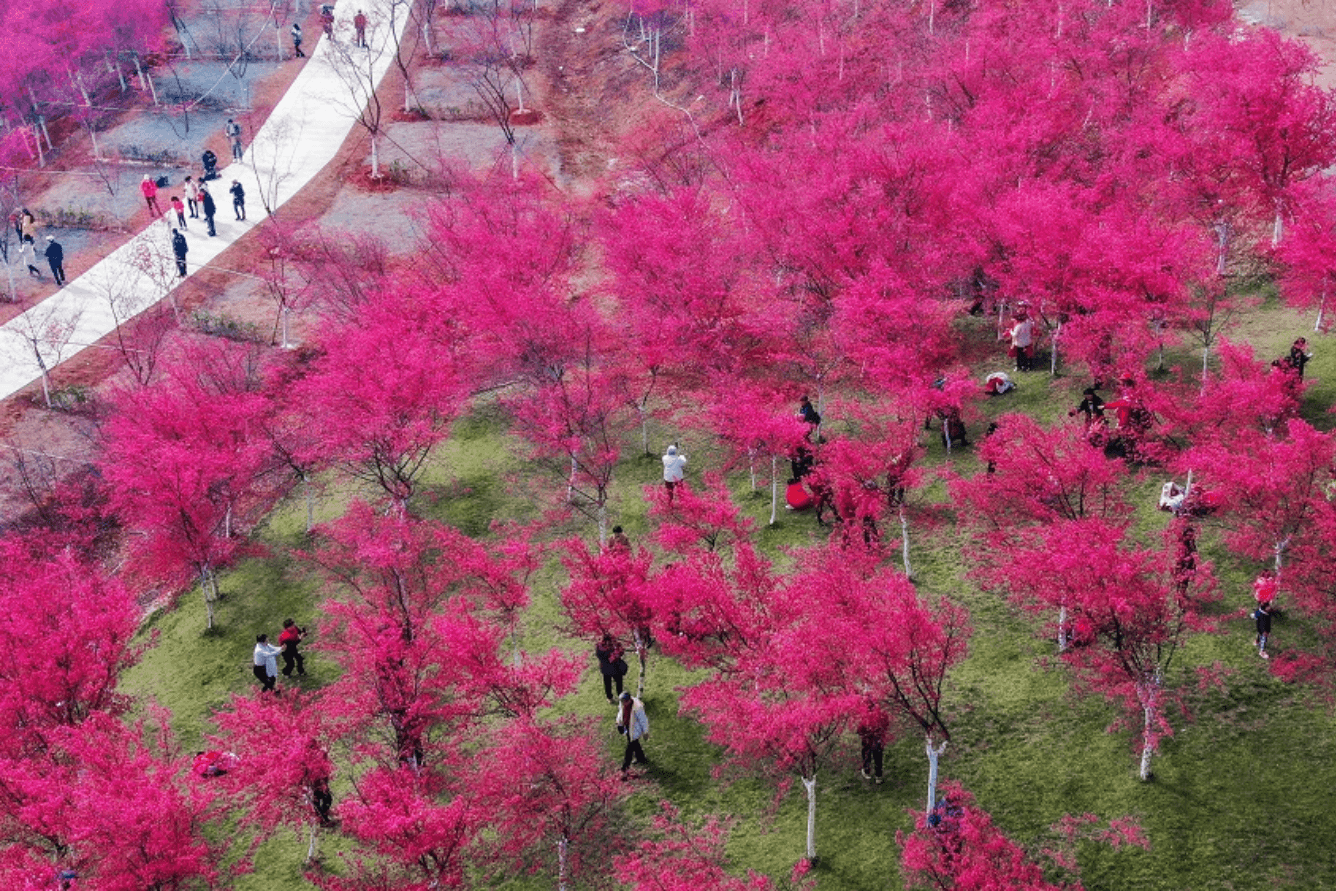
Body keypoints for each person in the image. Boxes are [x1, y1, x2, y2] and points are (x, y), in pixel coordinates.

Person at [616, 691, 650, 777]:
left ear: (629, 700)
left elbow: (643, 720)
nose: (623, 703)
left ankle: (625, 766)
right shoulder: (623, 704)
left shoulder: (637, 707)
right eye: (622, 701)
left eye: (625, 701)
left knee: (629, 748)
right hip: (627, 727)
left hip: (634, 729)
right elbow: (621, 713)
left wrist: (645, 732)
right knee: (635, 745)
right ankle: (641, 758)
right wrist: (619, 723)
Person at [857, 698, 889, 785]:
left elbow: (860, 728)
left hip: (868, 737)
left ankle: (867, 770)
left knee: (867, 753)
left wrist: (861, 734)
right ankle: (878, 775)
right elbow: (886, 723)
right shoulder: (881, 713)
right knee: (878, 755)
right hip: (877, 737)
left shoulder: (864, 714)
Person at [596, 633, 626, 702]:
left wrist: (618, 654)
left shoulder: (613, 644)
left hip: (612, 667)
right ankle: (612, 697)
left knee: (615, 682)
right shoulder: (601, 646)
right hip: (609, 668)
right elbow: (600, 656)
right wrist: (611, 657)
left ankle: (617, 696)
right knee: (610, 683)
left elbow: (621, 651)